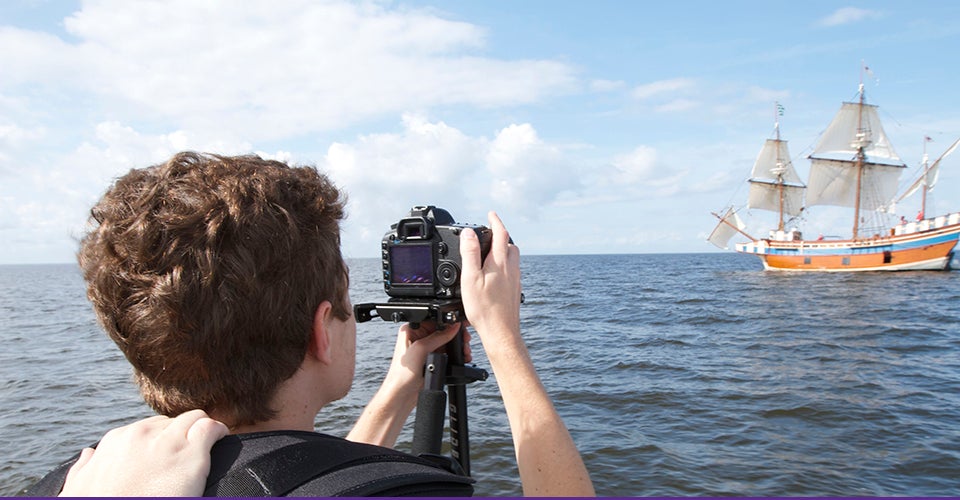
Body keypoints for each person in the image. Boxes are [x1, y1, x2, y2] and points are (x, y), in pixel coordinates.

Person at [32, 152, 594, 497]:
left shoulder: (83, 479)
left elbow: (297, 474)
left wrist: (403, 379)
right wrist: (504, 341)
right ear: (322, 331)